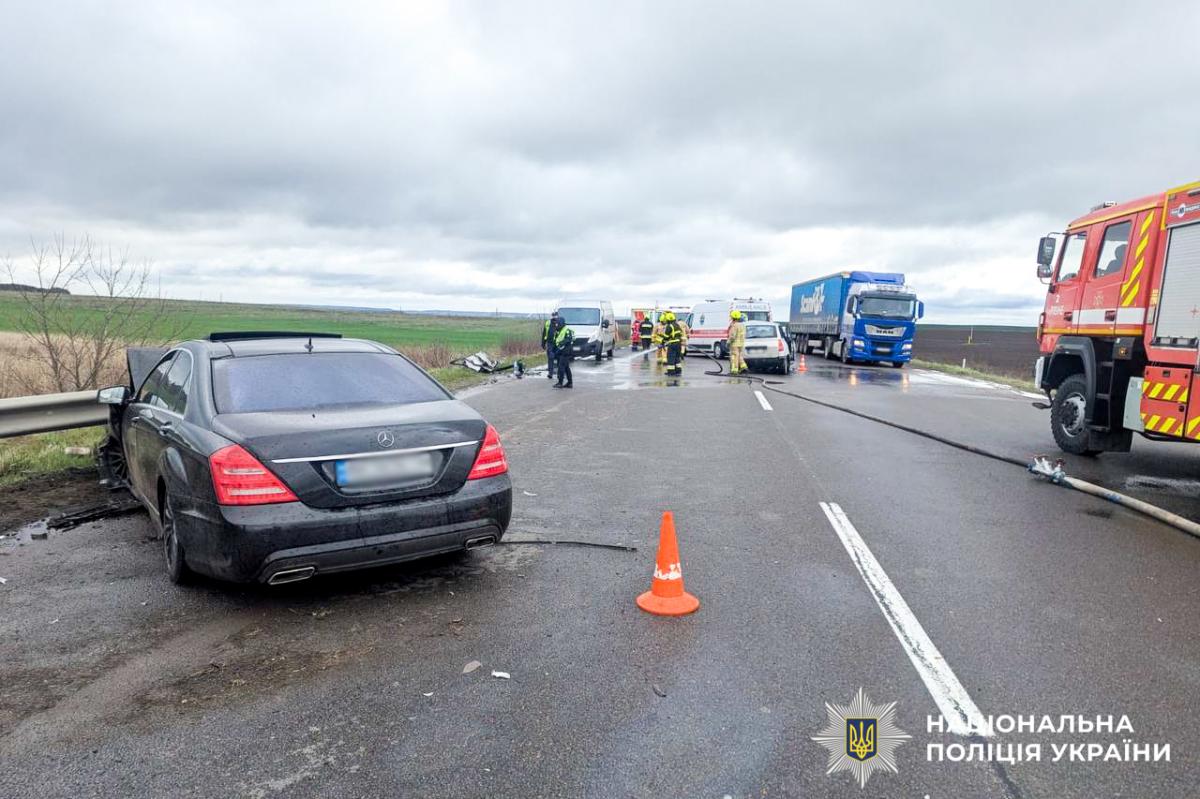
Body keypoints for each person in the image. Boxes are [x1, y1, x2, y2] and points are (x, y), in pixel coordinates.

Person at [662, 311, 684, 376]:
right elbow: (681, 333)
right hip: (678, 344)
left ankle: (671, 372)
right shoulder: (677, 325)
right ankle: (678, 371)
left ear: (668, 319)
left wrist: (663, 341)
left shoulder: (669, 326)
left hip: (672, 344)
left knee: (671, 357)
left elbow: (666, 337)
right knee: (677, 357)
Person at [553, 320, 575, 388]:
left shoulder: (566, 330)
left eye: (557, 324)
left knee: (561, 367)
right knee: (566, 367)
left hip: (566, 351)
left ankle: (560, 382)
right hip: (561, 351)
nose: (556, 325)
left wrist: (562, 343)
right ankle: (570, 383)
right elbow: (556, 341)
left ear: (561, 324)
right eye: (556, 324)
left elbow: (569, 339)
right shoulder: (558, 331)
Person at [727, 309, 747, 374]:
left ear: (733, 317)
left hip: (734, 344)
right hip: (741, 344)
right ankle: (743, 366)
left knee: (734, 357)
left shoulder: (734, 325)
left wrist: (728, 342)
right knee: (739, 356)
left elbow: (732, 336)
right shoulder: (742, 325)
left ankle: (734, 370)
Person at [541, 311, 559, 380]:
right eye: (553, 315)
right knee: (550, 358)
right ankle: (550, 373)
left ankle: (560, 373)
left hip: (558, 343)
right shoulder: (548, 322)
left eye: (555, 315)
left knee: (559, 358)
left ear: (557, 315)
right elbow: (544, 333)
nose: (554, 316)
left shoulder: (560, 322)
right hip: (550, 343)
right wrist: (543, 343)